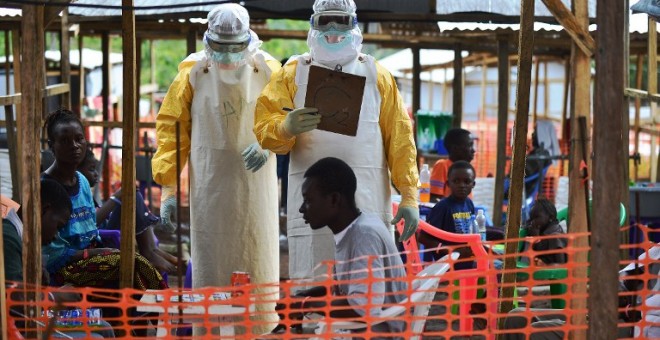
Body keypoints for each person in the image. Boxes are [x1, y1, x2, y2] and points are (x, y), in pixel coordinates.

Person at [254, 0, 419, 281]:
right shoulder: (293, 73)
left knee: (365, 281)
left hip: (366, 197)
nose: (332, 31)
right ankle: (315, 323)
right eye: (325, 22)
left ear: (353, 23)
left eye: (340, 22)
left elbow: (400, 138)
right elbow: (264, 127)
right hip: (312, 202)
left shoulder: (377, 74)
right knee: (315, 280)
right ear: (313, 23)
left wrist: (409, 194)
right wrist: (284, 127)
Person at [151, 3, 281, 332]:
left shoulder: (268, 70)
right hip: (210, 191)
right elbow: (172, 129)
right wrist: (167, 186)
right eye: (220, 48)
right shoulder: (193, 73)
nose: (227, 56)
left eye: (234, 48)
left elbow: (287, 116)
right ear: (209, 42)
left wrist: (270, 144)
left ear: (248, 40)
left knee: (256, 272)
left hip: (256, 192)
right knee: (212, 273)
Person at [274, 157, 408, 336]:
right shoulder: (354, 229)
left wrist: (305, 304)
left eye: (308, 200)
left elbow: (363, 307)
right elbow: (347, 289)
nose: (301, 209)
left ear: (334, 199)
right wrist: (305, 296)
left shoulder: (364, 235)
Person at [41, 108, 167, 290]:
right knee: (132, 263)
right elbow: (51, 253)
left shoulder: (82, 181)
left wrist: (100, 251)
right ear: (52, 145)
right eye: (65, 141)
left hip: (93, 253)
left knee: (133, 262)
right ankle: (155, 309)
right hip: (65, 267)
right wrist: (94, 253)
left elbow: (91, 225)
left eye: (79, 139)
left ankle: (147, 312)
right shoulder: (45, 187)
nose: (74, 145)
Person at [2, 179, 115, 338]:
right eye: (58, 227)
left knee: (104, 327)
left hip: (29, 320)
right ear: (44, 210)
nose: (56, 236)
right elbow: (16, 301)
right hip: (17, 328)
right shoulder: (8, 237)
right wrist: (55, 297)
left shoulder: (24, 239)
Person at [502, 243, 660, 339]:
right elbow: (625, 277)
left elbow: (642, 312)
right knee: (517, 316)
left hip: (642, 328)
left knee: (538, 333)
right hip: (612, 314)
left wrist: (621, 310)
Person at [77, 148, 177, 274]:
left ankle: (151, 250)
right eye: (91, 169)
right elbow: (89, 224)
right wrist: (115, 198)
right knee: (130, 195)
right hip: (97, 244)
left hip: (103, 234)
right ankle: (149, 251)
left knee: (133, 194)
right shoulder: (76, 194)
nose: (96, 174)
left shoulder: (85, 192)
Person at [419, 161, 476, 264]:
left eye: (467, 181)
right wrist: (451, 250)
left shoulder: (469, 204)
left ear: (473, 184)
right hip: (448, 263)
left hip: (466, 259)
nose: (462, 185)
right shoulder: (443, 207)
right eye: (456, 181)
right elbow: (423, 238)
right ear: (448, 184)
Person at [430, 128, 476, 202]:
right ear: (455, 149)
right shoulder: (442, 166)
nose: (473, 150)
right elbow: (434, 198)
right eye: (470, 145)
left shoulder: (468, 170)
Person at [522, 198, 566, 266]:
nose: (533, 222)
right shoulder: (541, 230)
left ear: (550, 218)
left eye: (537, 217)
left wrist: (536, 238)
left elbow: (560, 264)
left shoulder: (555, 237)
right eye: (531, 218)